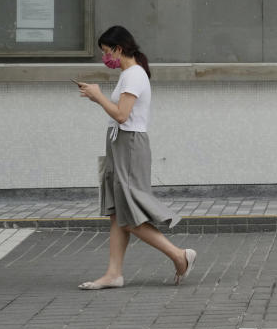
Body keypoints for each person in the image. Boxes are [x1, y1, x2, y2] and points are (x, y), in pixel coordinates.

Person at [75, 25, 196, 289]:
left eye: (106, 52)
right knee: (118, 212)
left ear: (119, 49)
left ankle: (179, 255)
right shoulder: (128, 74)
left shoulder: (134, 75)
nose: (104, 57)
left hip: (129, 145)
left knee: (128, 214)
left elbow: (121, 115)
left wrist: (97, 97)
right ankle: (113, 274)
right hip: (120, 144)